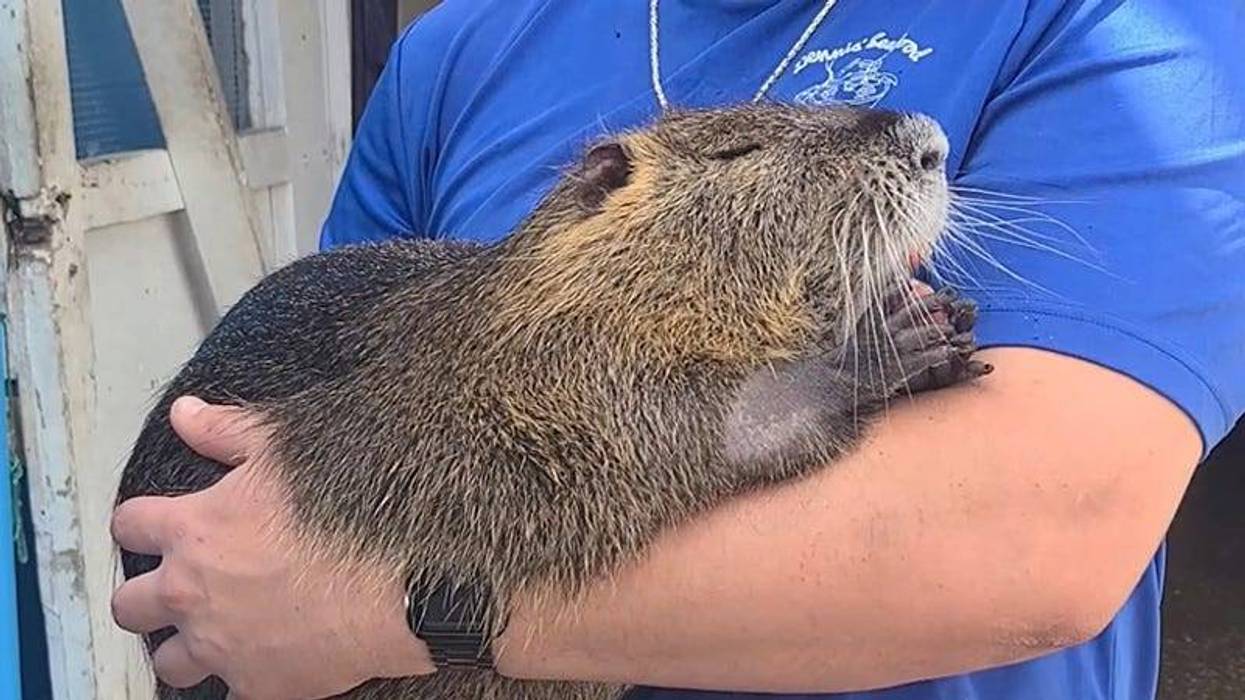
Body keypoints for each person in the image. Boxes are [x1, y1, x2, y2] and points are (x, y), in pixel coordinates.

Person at [109, 1, 1245, 699]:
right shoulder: (455, 56)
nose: (923, 149)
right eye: (756, 153)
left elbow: (1045, 535)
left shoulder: (1123, 24)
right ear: (609, 192)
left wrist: (381, 603)